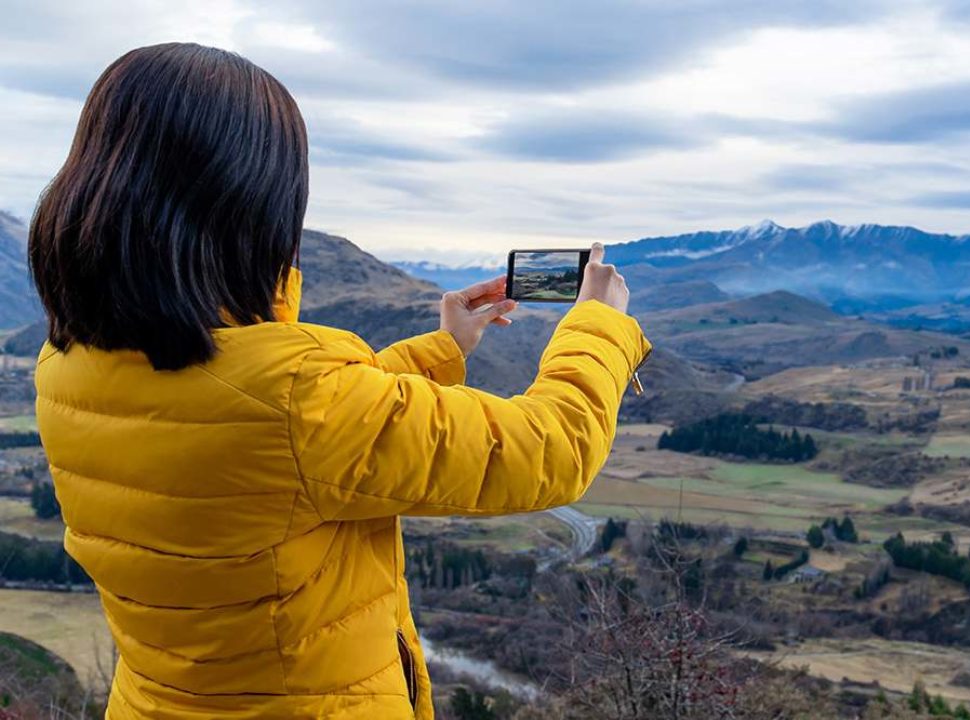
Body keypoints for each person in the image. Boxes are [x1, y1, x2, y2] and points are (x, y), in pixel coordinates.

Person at [29, 43, 649, 720]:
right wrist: (598, 324)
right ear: (250, 206)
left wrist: (441, 350)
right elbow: (547, 453)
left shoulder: (69, 369)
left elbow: (268, 433)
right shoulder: (292, 398)